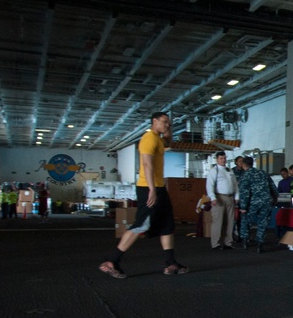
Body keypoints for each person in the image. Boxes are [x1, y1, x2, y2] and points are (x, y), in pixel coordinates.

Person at [99, 112, 188, 278]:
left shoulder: (159, 139)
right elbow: (147, 165)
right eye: (164, 122)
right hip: (148, 187)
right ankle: (112, 261)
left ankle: (171, 263)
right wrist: (152, 190)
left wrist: (169, 126)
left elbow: (169, 141)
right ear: (154, 121)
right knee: (142, 225)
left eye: (168, 123)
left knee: (167, 225)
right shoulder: (149, 138)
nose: (167, 125)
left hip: (159, 188)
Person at [237, 156, 275, 253]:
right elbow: (273, 187)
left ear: (243, 164)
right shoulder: (263, 173)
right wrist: (274, 198)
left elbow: (244, 193)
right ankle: (259, 245)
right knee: (263, 223)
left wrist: (243, 207)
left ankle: (245, 241)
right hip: (266, 202)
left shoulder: (245, 176)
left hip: (252, 203)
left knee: (246, 221)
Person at [205, 151, 237, 250]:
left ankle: (228, 242)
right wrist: (213, 197)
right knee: (218, 221)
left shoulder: (229, 170)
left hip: (230, 197)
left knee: (230, 221)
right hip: (219, 197)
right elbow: (209, 185)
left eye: (224, 158)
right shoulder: (214, 170)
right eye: (221, 158)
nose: (223, 160)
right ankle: (216, 243)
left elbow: (235, 184)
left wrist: (237, 197)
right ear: (217, 159)